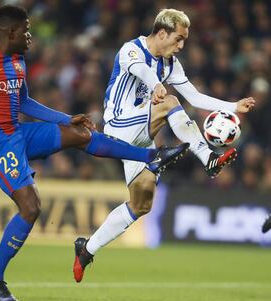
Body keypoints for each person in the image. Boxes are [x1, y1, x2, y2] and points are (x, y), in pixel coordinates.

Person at [0, 5, 189, 301]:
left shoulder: (17, 60)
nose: (29, 35)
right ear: (9, 32)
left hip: (17, 132)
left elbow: (24, 101)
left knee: (80, 134)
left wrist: (66, 119)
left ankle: (151, 155)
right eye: (25, 30)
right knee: (30, 206)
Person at [73, 8, 255, 282]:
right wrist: (157, 85)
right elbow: (142, 71)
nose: (181, 45)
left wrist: (234, 106)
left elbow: (194, 97)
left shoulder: (170, 64)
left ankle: (86, 249)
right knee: (168, 101)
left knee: (141, 204)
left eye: (184, 40)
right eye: (178, 39)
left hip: (141, 139)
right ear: (161, 33)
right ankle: (206, 157)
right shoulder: (131, 49)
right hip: (118, 128)